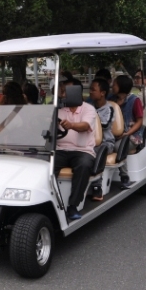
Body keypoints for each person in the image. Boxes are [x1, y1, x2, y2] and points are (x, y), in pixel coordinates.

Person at [54, 78, 97, 221]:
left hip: (82, 150)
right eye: (63, 91)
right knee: (45, 165)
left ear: (77, 92)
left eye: (68, 91)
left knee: (84, 165)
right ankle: (51, 202)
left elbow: (85, 126)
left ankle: (73, 205)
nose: (64, 94)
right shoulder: (58, 109)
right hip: (60, 149)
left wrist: (71, 125)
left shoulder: (88, 108)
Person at [111, 74, 143, 189]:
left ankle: (124, 176)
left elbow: (139, 121)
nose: (112, 86)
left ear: (121, 86)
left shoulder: (135, 100)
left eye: (114, 84)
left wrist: (127, 134)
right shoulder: (112, 100)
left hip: (132, 136)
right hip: (115, 135)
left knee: (118, 147)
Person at [88, 77, 115, 201]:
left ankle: (96, 186)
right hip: (89, 142)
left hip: (106, 143)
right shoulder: (89, 108)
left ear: (103, 93)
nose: (90, 92)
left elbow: (104, 124)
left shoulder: (109, 109)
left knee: (95, 151)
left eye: (93, 90)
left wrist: (91, 115)